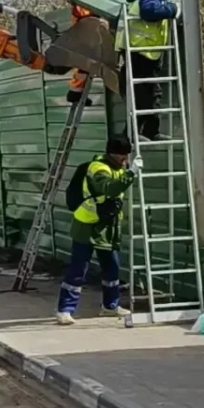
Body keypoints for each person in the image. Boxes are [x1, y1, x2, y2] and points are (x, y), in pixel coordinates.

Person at [56, 136, 141, 325]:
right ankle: (65, 310)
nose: (125, 161)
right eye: (122, 157)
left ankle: (110, 306)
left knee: (112, 267)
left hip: (106, 227)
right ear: (112, 154)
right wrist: (131, 174)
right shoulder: (98, 169)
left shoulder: (117, 167)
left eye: (126, 157)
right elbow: (109, 189)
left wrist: (127, 172)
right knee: (79, 268)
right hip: (87, 225)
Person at [122, 0, 178, 141]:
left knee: (145, 95)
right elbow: (150, 12)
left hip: (140, 52)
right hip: (142, 53)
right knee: (150, 95)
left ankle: (140, 131)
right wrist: (172, 8)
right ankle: (143, 132)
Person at [55, 0, 109, 105]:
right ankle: (76, 90)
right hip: (83, 19)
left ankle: (77, 90)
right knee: (85, 57)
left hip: (99, 19)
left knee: (91, 58)